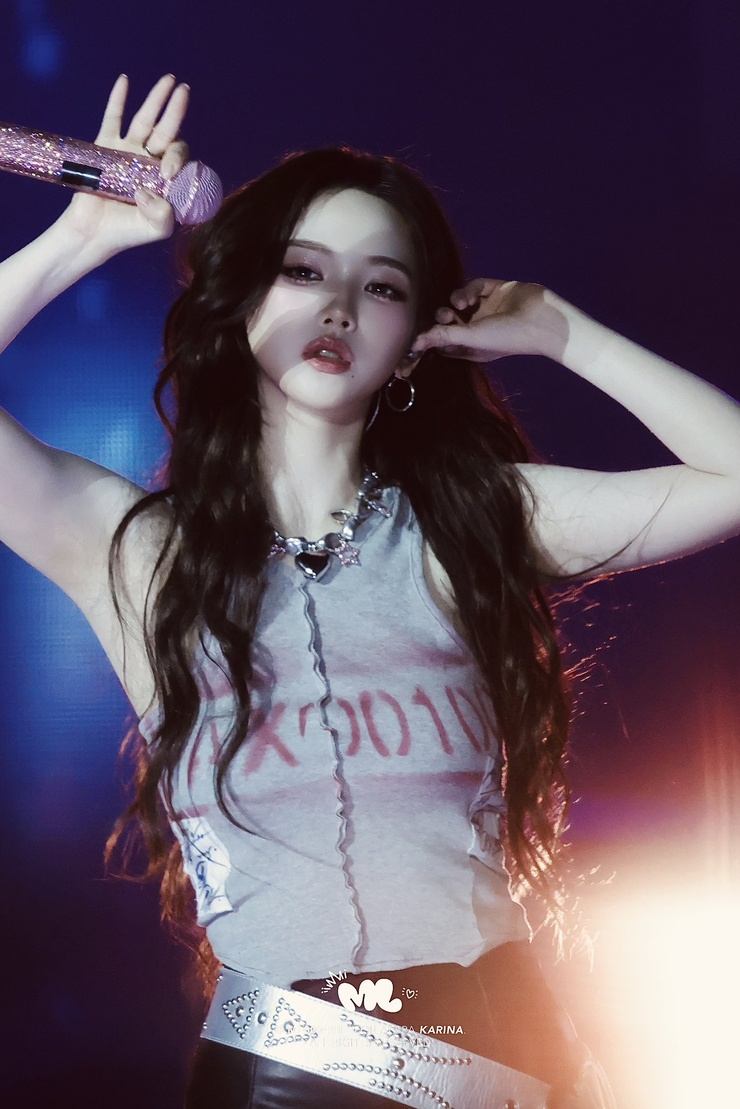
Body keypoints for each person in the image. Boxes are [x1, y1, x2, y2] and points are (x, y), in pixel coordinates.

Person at [1, 72, 739, 1109]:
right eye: (302, 269)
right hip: (276, 1073)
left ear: (410, 345)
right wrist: (79, 238)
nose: (338, 306)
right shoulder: (139, 555)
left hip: (503, 1058)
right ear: (241, 299)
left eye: (382, 286)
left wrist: (563, 332)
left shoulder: (471, 522)